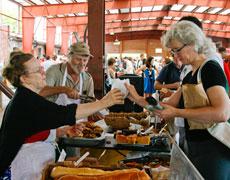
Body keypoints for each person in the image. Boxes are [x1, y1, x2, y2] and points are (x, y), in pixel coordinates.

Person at [126, 21, 230, 179]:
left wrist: (178, 112)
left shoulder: (210, 69)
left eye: (177, 50)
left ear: (193, 42)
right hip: (194, 145)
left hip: (214, 147)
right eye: (173, 51)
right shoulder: (189, 75)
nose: (175, 56)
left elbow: (222, 113)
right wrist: (136, 98)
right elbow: (166, 107)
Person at [0, 51, 124, 179]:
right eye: (38, 71)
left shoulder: (27, 97)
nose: (44, 73)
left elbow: (32, 131)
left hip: (35, 166)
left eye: (42, 68)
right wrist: (105, 102)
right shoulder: (26, 101)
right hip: (22, 170)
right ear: (24, 78)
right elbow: (67, 113)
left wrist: (62, 131)